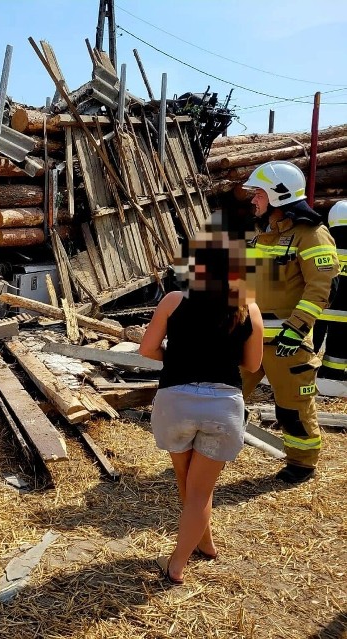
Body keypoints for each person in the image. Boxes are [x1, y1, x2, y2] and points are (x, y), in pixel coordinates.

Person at [139, 231, 263, 585]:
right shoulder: (247, 306)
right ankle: (191, 552)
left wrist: (177, 358)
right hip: (222, 406)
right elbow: (253, 365)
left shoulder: (174, 300)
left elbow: (147, 350)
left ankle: (189, 552)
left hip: (175, 402)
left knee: (187, 482)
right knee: (199, 491)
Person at [241, 161, 338, 483]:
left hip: (287, 345)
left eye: (258, 193)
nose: (253, 199)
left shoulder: (311, 235)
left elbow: (321, 286)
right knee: (223, 395)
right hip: (247, 340)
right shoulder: (263, 236)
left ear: (278, 195)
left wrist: (297, 329)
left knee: (292, 409)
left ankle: (302, 463)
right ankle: (215, 451)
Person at [312, 200, 347, 379]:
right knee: (340, 343)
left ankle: (304, 369)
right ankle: (332, 371)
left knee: (310, 343)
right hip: (345, 313)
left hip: (319, 307)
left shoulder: (323, 242)